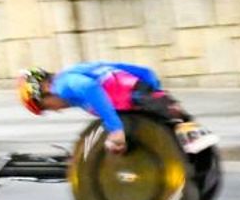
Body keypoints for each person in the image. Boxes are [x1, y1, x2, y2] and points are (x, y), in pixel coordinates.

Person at [17, 61, 206, 155]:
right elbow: (137, 70)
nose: (56, 110)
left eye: (46, 107)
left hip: (138, 97)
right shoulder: (76, 73)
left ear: (45, 88)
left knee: (189, 136)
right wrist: (154, 86)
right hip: (140, 98)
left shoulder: (63, 85)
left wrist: (115, 129)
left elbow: (90, 87)